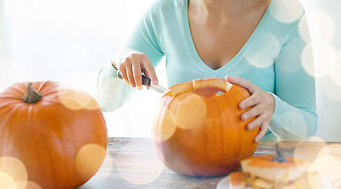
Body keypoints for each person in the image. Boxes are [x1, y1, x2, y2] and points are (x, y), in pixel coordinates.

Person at [92, 0, 317, 142]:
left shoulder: (287, 14)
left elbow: (308, 123)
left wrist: (272, 108)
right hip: (184, 168)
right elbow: (104, 103)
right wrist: (117, 63)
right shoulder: (163, 12)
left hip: (259, 173)